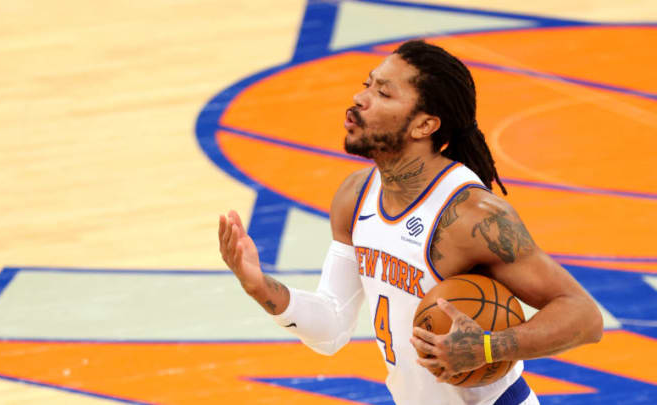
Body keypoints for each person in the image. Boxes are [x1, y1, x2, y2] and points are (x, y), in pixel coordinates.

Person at [218, 40, 603, 405]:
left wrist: (488, 347)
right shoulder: (355, 196)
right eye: (367, 85)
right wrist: (258, 286)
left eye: (384, 94)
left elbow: (584, 318)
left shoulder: (471, 216)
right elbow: (332, 327)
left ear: (425, 126)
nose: (360, 98)